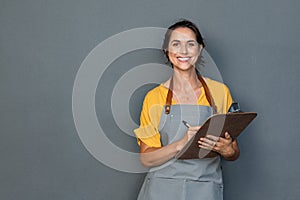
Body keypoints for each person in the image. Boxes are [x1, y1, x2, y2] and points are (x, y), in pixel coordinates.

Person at [134, 19, 240, 200]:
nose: (183, 51)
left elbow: (233, 152)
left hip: (205, 190)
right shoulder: (154, 97)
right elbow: (146, 159)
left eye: (190, 44)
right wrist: (180, 144)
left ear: (199, 49)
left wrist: (227, 150)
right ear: (167, 51)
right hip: (161, 190)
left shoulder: (220, 92)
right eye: (176, 44)